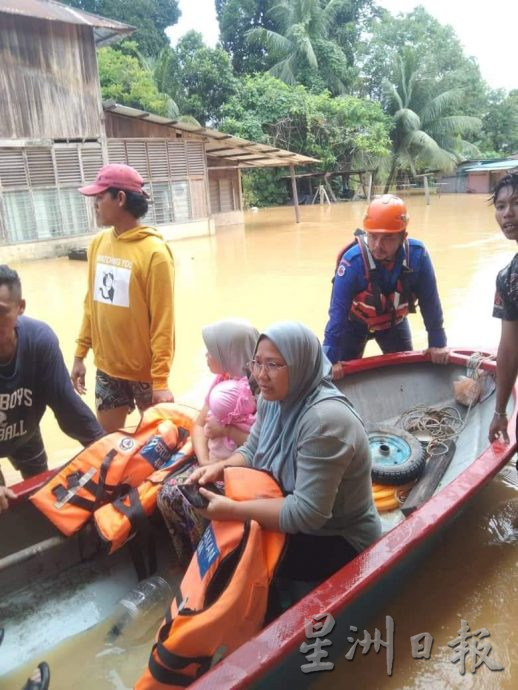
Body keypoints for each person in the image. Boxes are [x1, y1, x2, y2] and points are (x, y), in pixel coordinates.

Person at [188, 321, 381, 597]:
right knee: (230, 538)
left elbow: (307, 513)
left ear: (300, 364)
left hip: (337, 535)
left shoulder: (325, 422)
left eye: (274, 365)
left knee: (241, 555)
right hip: (292, 505)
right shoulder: (272, 399)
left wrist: (231, 509)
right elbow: (253, 450)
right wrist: (218, 469)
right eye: (257, 363)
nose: (261, 375)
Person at [70, 164, 175, 433]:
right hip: (107, 369)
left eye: (100, 197)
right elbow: (91, 305)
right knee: (108, 444)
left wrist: (160, 381)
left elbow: (164, 323)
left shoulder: (155, 253)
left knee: (156, 445)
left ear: (120, 199)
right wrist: (80, 354)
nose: (95, 204)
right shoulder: (97, 244)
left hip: (145, 375)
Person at [0, 265, 104, 508]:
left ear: (21, 307)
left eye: (1, 312)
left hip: (24, 431)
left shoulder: (39, 341)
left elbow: (67, 407)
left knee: (41, 495)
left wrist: (105, 448)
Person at [157, 319, 258, 564]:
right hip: (212, 463)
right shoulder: (222, 382)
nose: (206, 355)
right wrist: (204, 463)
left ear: (229, 353)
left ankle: (211, 563)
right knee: (165, 494)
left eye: (211, 351)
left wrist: (226, 430)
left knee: (196, 504)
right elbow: (199, 424)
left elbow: (260, 445)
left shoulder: (256, 392)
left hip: (241, 472)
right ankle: (188, 558)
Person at [323, 194, 449, 378]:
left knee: (405, 375)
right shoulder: (352, 263)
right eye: (372, 236)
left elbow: (431, 304)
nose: (377, 246)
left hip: (393, 325)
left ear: (403, 236)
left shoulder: (417, 257)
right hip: (353, 325)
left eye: (388, 238)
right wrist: (330, 360)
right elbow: (337, 314)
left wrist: (437, 343)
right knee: (338, 376)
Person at [488, 173, 518, 447]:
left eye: (516, 203)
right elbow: (509, 348)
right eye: (500, 206)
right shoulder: (507, 278)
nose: (508, 213)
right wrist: (499, 412)